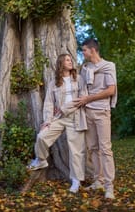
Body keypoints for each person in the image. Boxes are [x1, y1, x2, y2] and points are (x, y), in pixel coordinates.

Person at [28, 53, 88, 193]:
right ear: (61, 63)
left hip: (76, 117)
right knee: (42, 136)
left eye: (70, 60)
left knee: (76, 151)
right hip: (59, 117)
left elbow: (83, 98)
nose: (70, 62)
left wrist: (64, 109)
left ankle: (76, 181)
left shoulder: (79, 79)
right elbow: (49, 103)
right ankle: (41, 159)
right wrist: (47, 121)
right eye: (67, 60)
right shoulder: (54, 83)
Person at [73, 38, 117, 199]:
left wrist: (88, 99)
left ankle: (109, 186)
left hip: (102, 112)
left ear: (92, 50)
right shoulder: (85, 68)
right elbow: (81, 88)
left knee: (105, 149)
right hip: (87, 112)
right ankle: (98, 180)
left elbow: (111, 90)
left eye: (84, 50)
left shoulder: (108, 66)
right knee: (92, 148)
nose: (82, 53)